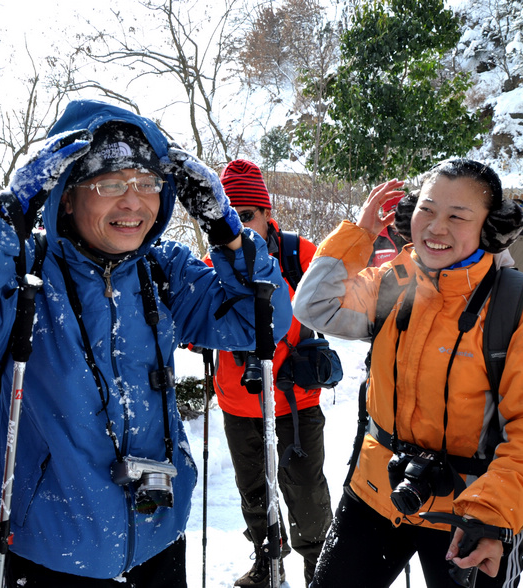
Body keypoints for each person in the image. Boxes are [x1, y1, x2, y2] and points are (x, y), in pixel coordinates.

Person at [0, 99, 292, 586]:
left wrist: (228, 232)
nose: (133, 202)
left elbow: (261, 322)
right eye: (111, 184)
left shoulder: (162, 270)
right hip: (53, 554)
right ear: (67, 196)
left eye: (148, 183)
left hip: (160, 538)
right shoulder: (22, 274)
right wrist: (10, 212)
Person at [293, 159, 523, 588]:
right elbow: (314, 307)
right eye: (426, 209)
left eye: (458, 216)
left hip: (470, 514)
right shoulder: (396, 279)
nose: (436, 227)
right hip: (375, 491)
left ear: (490, 227)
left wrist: (491, 513)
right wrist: (360, 234)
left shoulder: (519, 310)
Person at [203, 159, 331, 587]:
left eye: (246, 214)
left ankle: (320, 567)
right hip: (239, 401)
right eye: (227, 215)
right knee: (254, 493)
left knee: (307, 492)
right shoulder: (209, 263)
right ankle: (266, 560)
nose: (238, 225)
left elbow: (340, 299)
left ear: (267, 212)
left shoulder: (300, 253)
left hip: (296, 400)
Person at [368, 193, 408, 267]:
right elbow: (365, 272)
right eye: (395, 211)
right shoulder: (375, 238)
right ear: (386, 214)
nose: (400, 215)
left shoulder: (414, 234)